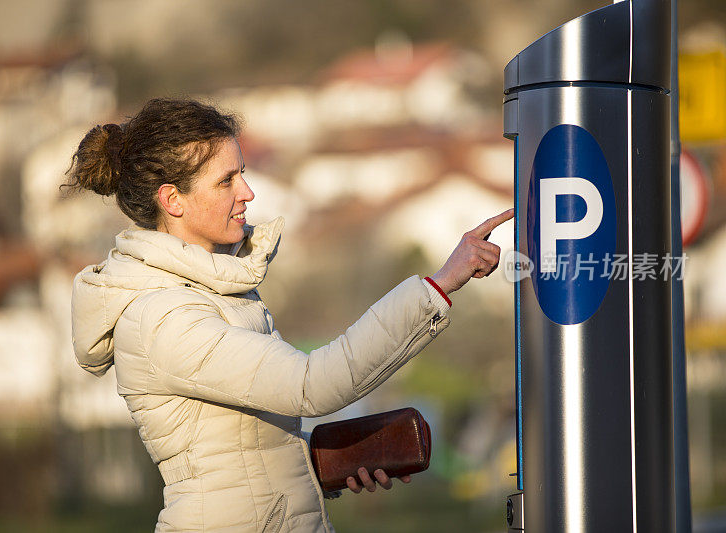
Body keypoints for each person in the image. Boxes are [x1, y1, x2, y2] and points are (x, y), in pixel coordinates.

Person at [68, 97, 513, 532]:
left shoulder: (219, 291)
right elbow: (310, 384)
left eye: (242, 172)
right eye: (226, 181)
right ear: (173, 200)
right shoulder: (163, 317)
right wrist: (437, 287)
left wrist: (321, 471)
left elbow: (238, 455)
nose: (248, 192)